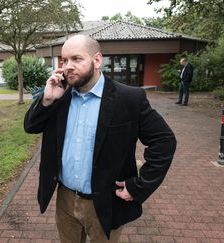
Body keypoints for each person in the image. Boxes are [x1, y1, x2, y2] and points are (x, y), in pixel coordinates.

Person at [23, 35, 176, 243]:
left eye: (76, 59)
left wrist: (139, 186)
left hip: (105, 201)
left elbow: (164, 141)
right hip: (65, 199)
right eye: (64, 60)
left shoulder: (129, 98)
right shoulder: (60, 96)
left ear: (97, 60)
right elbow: (31, 127)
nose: (68, 66)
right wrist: (47, 99)